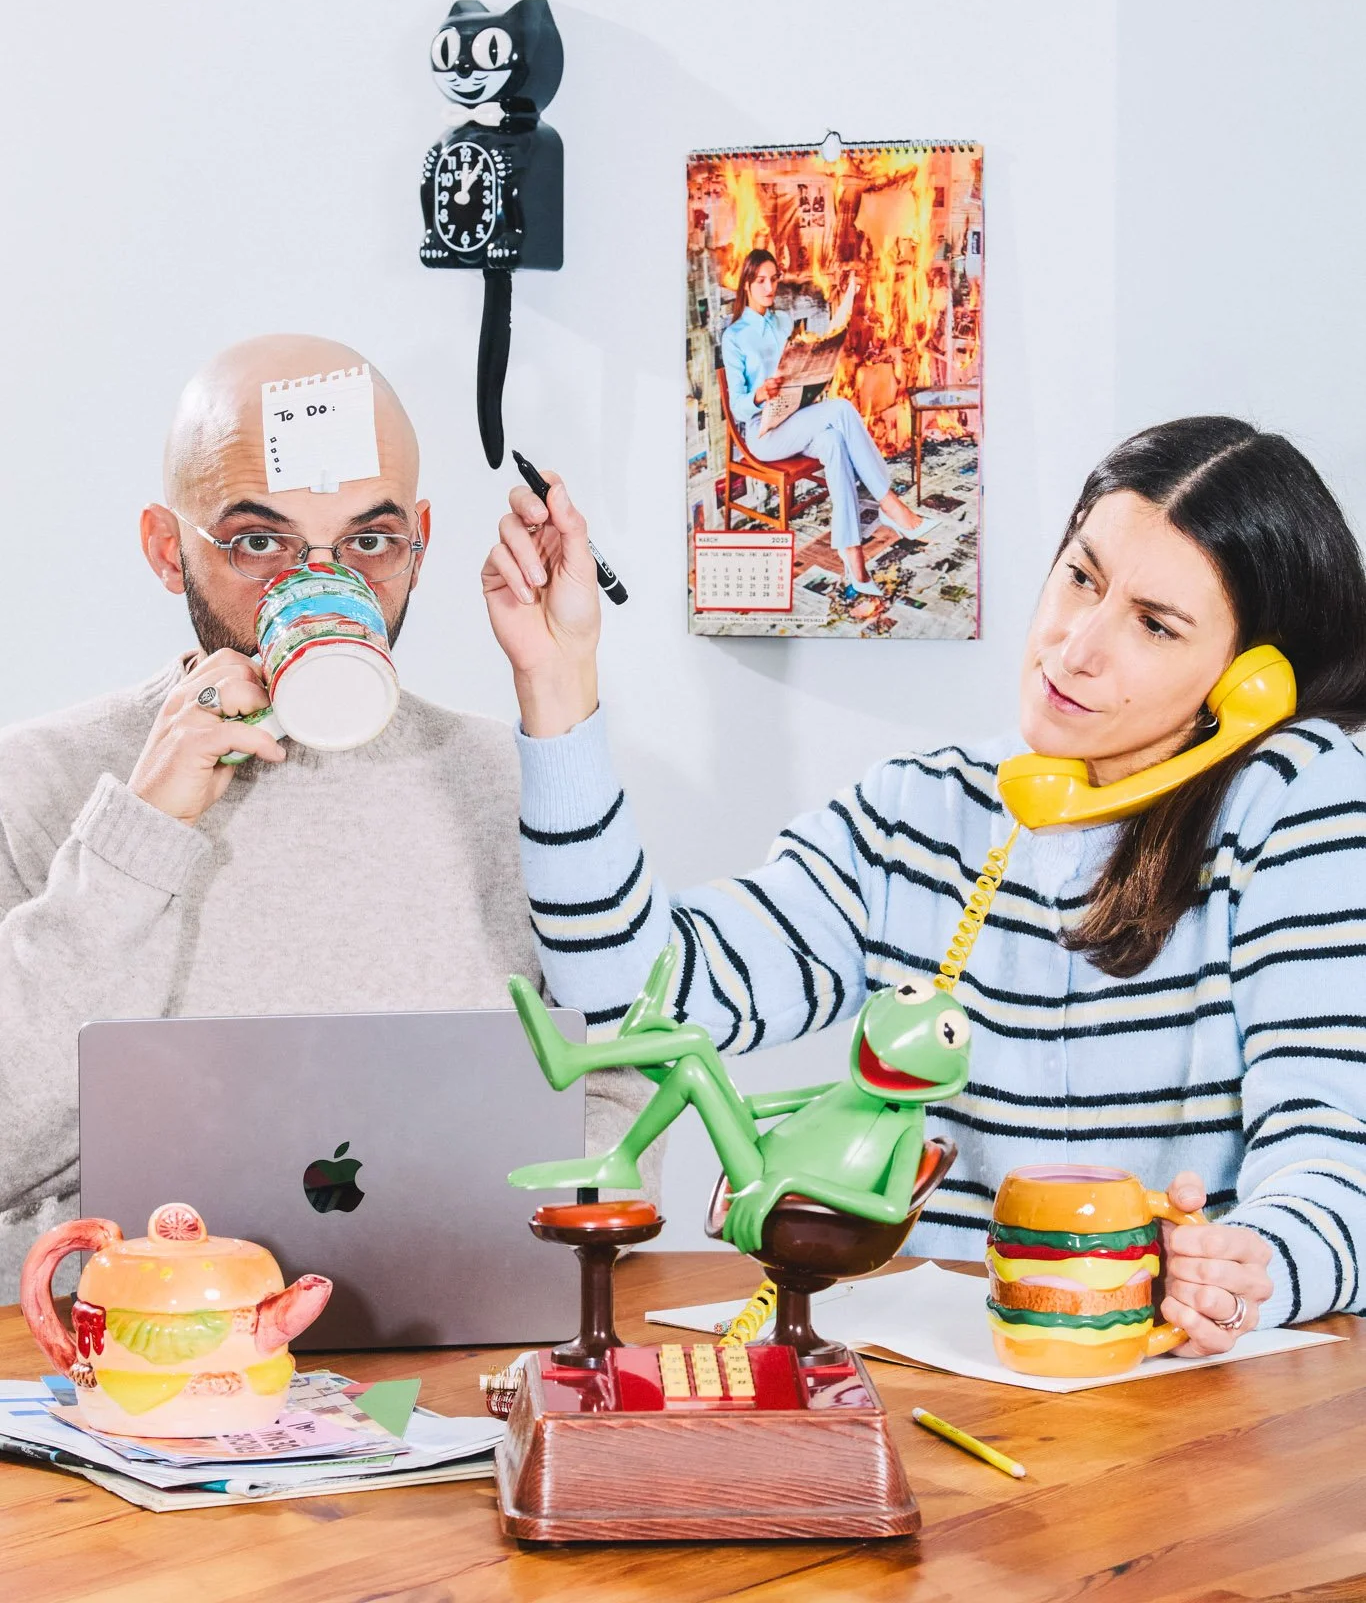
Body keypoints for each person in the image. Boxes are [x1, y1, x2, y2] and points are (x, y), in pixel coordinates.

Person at [483, 416, 1366, 1352]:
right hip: (946, 1395)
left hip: (1178, 1410)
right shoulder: (924, 809)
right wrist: (557, 679)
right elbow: (629, 1001)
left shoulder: (1294, 802)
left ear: (1251, 684)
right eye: (1081, 578)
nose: (1076, 647)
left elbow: (1340, 1166)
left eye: (1154, 625)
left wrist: (1245, 1267)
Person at [0, 334, 646, 1300]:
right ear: (165, 548)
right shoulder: (45, 779)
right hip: (127, 1380)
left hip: (452, 1357)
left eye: (368, 542)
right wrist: (142, 831)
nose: (319, 584)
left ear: (419, 544)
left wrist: (495, 1266)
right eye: (259, 542)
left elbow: (628, 1089)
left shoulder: (517, 779)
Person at [720, 248, 922, 595]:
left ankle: (851, 552)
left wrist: (849, 298)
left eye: (774, 279)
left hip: (795, 417)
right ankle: (888, 502)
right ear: (748, 284)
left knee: (834, 442)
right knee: (841, 409)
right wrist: (760, 394)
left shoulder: (783, 321)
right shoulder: (735, 336)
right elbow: (737, 408)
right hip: (763, 434)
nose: (769, 287)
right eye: (761, 281)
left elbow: (819, 343)